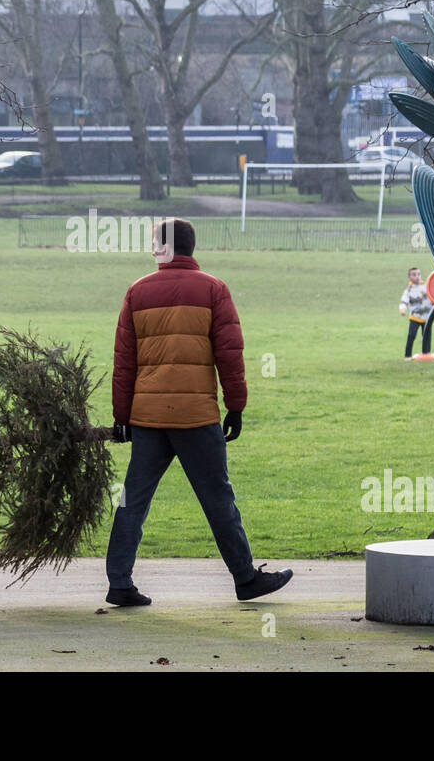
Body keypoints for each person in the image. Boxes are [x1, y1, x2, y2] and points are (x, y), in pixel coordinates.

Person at [106, 218, 293, 606]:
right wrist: (236, 406)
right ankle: (245, 578)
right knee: (218, 500)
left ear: (163, 248)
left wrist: (122, 416)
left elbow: (124, 361)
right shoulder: (213, 289)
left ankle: (119, 582)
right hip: (196, 417)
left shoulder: (136, 292)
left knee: (132, 501)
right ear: (192, 247)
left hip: (148, 418)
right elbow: (230, 354)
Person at [399, 265, 433, 358]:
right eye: (414, 275)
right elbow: (404, 301)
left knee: (426, 336)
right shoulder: (408, 290)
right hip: (415, 317)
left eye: (418, 274)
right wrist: (403, 310)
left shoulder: (426, 287)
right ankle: (407, 356)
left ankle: (426, 354)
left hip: (427, 317)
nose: (417, 276)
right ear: (409, 277)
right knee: (411, 335)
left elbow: (432, 297)